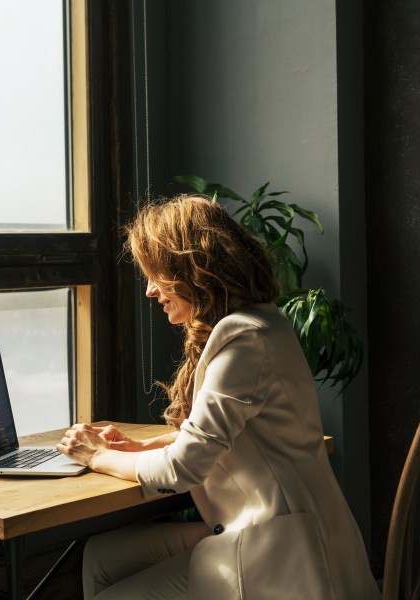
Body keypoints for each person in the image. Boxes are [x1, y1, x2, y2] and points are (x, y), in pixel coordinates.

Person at [57, 195, 380, 599]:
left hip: (280, 553)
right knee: (102, 556)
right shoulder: (262, 323)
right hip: (281, 527)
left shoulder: (244, 340)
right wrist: (140, 446)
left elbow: (182, 469)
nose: (150, 290)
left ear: (193, 270)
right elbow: (220, 433)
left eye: (156, 274)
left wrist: (95, 456)